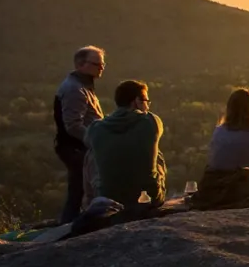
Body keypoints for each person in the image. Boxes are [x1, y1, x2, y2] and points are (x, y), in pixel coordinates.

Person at [86, 80, 167, 208]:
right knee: (157, 153)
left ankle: (90, 203)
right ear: (136, 102)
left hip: (108, 198)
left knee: (91, 154)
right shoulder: (151, 122)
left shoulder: (95, 128)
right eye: (146, 101)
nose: (148, 106)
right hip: (148, 197)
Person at [54, 46, 106, 224]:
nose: (102, 67)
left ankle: (71, 224)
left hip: (78, 146)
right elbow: (73, 125)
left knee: (79, 189)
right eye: (97, 64)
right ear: (80, 64)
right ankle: (72, 227)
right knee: (81, 188)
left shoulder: (83, 86)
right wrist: (95, 142)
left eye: (102, 63)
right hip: (76, 148)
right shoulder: (74, 89)